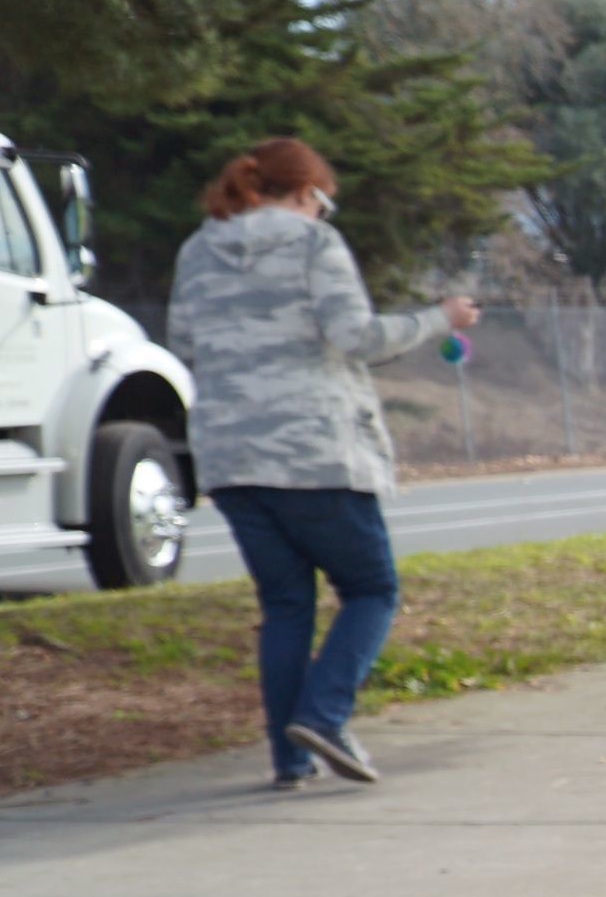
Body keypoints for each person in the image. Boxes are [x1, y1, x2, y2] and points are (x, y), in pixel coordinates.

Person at [166, 139, 476, 789]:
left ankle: (291, 760)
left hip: (231, 455)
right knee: (371, 588)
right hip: (314, 451)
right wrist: (438, 319)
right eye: (323, 202)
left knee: (285, 608)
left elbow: (184, 343)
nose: (322, 214)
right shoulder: (315, 247)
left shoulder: (197, 250)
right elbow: (357, 336)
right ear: (307, 193)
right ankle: (325, 716)